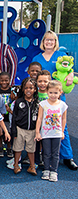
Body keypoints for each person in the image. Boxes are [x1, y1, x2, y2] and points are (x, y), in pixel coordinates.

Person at [32, 30, 77, 170]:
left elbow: (69, 69)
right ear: (43, 42)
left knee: (60, 126)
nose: (49, 42)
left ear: (55, 42)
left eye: (52, 40)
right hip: (41, 95)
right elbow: (33, 74)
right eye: (47, 40)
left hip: (56, 95)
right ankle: (38, 157)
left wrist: (70, 75)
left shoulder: (61, 56)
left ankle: (67, 156)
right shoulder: (37, 58)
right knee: (40, 124)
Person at [35, 81, 67, 182]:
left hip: (57, 133)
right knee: (46, 153)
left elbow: (64, 119)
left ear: (60, 93)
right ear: (47, 92)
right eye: (51, 92)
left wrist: (62, 132)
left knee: (55, 153)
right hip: (46, 133)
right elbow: (39, 118)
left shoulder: (62, 105)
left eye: (56, 93)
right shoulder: (43, 104)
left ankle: (54, 171)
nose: (53, 95)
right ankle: (46, 169)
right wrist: (37, 132)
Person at [11, 78, 39, 176]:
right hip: (20, 129)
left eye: (31, 88)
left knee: (31, 149)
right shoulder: (19, 102)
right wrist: (13, 130)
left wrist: (38, 131)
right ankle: (16, 165)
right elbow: (14, 117)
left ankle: (32, 166)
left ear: (35, 89)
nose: (28, 90)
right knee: (18, 148)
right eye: (26, 88)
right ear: (22, 89)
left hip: (32, 130)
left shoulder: (37, 103)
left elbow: (39, 118)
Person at [0, 72, 13, 158]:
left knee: (8, 131)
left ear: (10, 80)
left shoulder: (12, 90)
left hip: (8, 116)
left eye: (6, 80)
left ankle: (9, 148)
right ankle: (0, 148)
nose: (4, 82)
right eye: (2, 80)